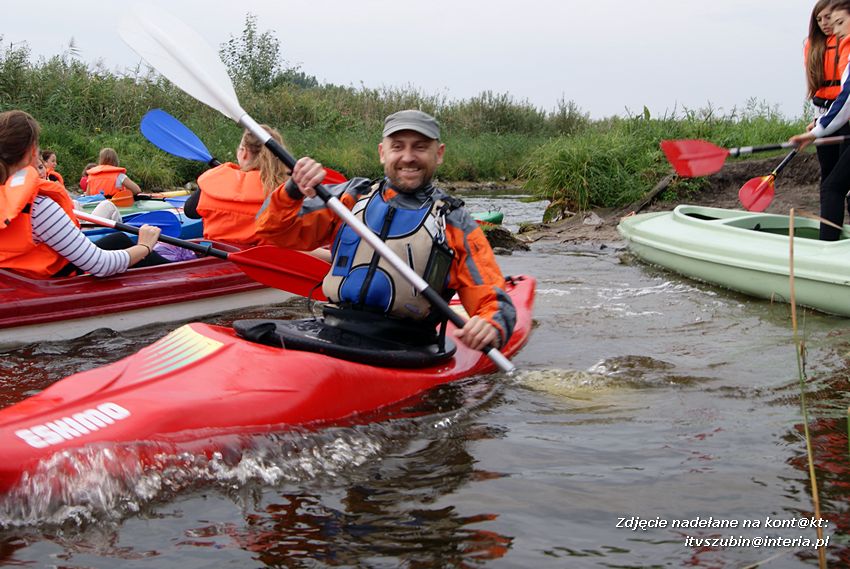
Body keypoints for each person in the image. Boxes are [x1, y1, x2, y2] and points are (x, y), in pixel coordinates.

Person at [255, 109, 515, 352]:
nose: (408, 157)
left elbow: (492, 299)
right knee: (253, 331)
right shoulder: (349, 198)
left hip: (405, 347)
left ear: (439, 154)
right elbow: (272, 230)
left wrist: (491, 324)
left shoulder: (454, 222)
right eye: (397, 147)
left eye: (420, 147)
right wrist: (292, 190)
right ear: (382, 152)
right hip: (333, 330)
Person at [0, 110, 167, 279]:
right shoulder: (38, 207)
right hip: (54, 285)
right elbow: (101, 265)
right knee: (126, 244)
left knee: (119, 239)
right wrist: (144, 246)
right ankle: (177, 276)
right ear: (32, 152)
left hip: (19, 282)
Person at [792, 0, 850, 240]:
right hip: (831, 118)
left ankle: (827, 246)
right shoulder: (817, 46)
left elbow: (846, 98)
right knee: (832, 182)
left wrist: (817, 130)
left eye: (839, 22)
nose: (833, 28)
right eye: (823, 20)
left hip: (838, 122)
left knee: (834, 186)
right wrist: (820, 122)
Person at [183, 125, 289, 246]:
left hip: (219, 255)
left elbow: (189, 211)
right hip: (265, 257)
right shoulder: (288, 191)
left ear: (244, 153)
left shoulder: (215, 181)